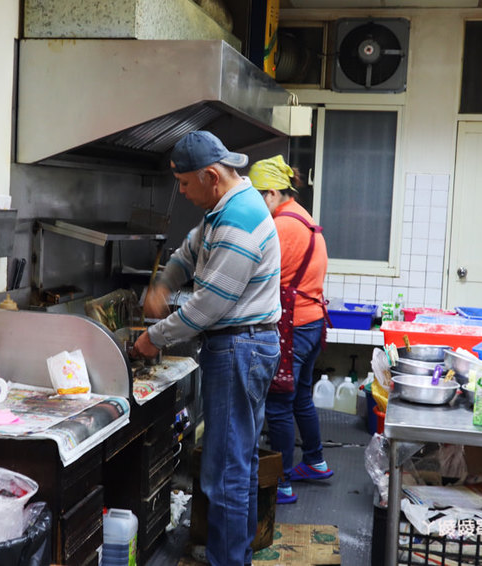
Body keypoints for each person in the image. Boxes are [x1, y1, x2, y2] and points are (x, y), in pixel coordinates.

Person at [132, 131, 281, 566]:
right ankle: (235, 554)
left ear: (211, 176)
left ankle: (229, 560)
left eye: (184, 183)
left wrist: (152, 337)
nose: (181, 192)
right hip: (245, 347)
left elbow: (209, 306)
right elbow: (188, 252)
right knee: (240, 463)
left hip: (240, 349)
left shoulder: (239, 218)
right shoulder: (223, 208)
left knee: (225, 475)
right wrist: (163, 283)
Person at [248, 155, 333, 505]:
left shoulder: (282, 226)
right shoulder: (303, 217)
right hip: (311, 323)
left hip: (294, 327)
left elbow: (254, 272)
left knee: (280, 404)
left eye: (256, 199)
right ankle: (314, 461)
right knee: (300, 398)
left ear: (271, 193)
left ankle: (279, 482)